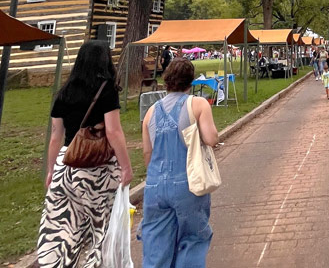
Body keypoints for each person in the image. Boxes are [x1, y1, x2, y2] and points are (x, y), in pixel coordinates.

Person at [38, 41, 133, 268]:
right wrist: (126, 167)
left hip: (66, 166)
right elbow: (113, 131)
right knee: (100, 230)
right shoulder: (106, 90)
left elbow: (55, 136)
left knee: (63, 229)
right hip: (97, 171)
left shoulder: (64, 92)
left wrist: (51, 170)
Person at [140, 57, 218, 268]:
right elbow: (211, 138)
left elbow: (147, 152)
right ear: (190, 80)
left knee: (156, 243)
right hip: (187, 181)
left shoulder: (150, 112)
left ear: (167, 80)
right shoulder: (197, 104)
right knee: (192, 238)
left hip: (155, 184)